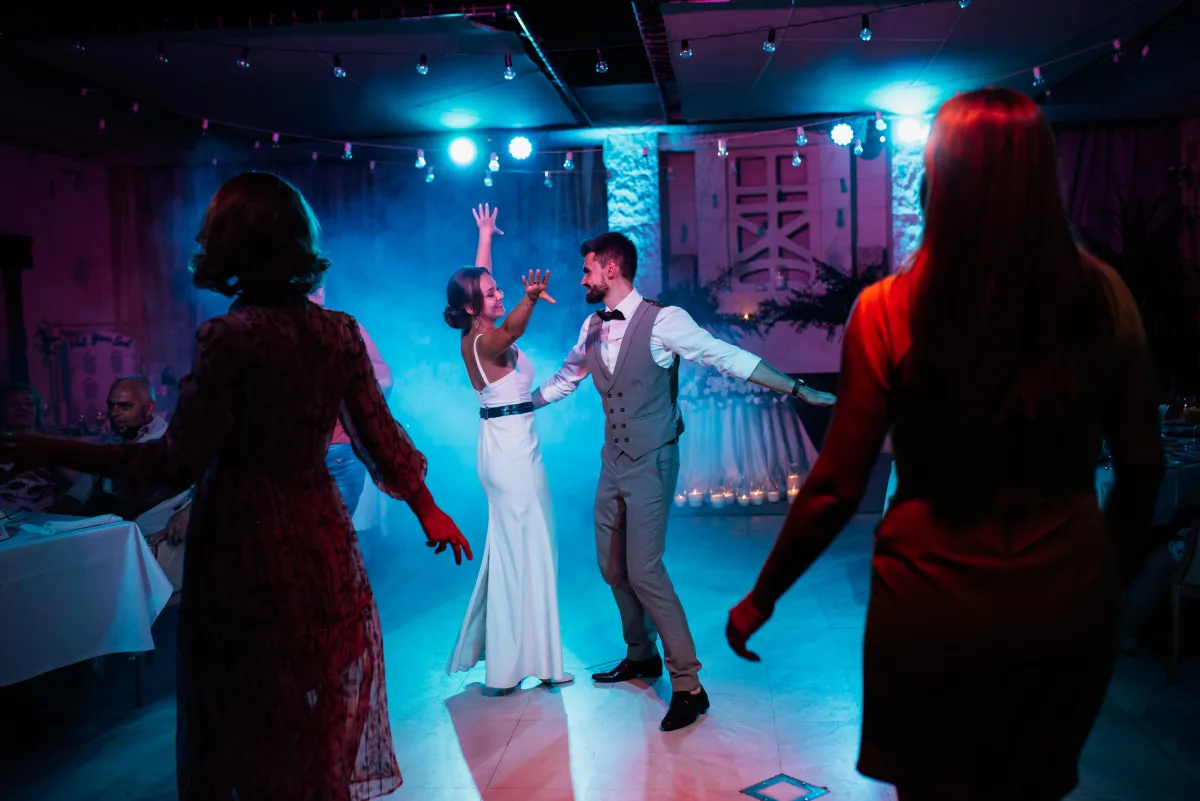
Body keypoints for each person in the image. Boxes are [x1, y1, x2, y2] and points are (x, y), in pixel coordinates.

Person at [726, 88, 1164, 801]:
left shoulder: (890, 308)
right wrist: (1097, 583)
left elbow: (839, 485)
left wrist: (762, 597)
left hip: (930, 604)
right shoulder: (1105, 296)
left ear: (941, 180)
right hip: (1065, 596)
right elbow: (1143, 466)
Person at [2, 171, 472, 801]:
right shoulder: (337, 333)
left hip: (245, 543)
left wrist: (44, 446)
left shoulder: (230, 337)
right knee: (316, 706)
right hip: (318, 536)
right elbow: (380, 439)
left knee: (248, 718)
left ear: (231, 244)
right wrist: (427, 508)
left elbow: (173, 460)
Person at [533, 231, 836, 732]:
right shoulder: (590, 325)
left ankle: (689, 686)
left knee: (645, 568)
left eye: (587, 269)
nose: (582, 278)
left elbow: (725, 356)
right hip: (613, 459)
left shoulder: (664, 320)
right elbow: (566, 378)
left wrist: (796, 387)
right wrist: (519, 406)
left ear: (611, 270)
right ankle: (641, 655)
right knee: (612, 567)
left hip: (653, 458)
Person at [444, 203, 573, 690]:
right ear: (474, 308)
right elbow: (514, 326)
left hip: (517, 446)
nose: (498, 294)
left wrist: (484, 237)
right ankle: (511, 666)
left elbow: (485, 284)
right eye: (491, 293)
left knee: (529, 548)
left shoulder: (480, 326)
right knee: (527, 550)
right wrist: (530, 298)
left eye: (500, 290)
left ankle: (528, 659)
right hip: (508, 453)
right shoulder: (484, 343)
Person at [53, 375, 192, 590]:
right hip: (100, 533)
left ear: (149, 408)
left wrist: (186, 514)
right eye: (111, 406)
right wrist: (50, 526)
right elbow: (79, 493)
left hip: (145, 538)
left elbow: (205, 486)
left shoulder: (171, 442)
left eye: (125, 406)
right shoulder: (106, 441)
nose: (114, 413)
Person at [308, 285, 393, 518]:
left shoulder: (266, 331)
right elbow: (384, 382)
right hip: (336, 447)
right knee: (333, 541)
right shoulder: (343, 327)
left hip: (299, 452)